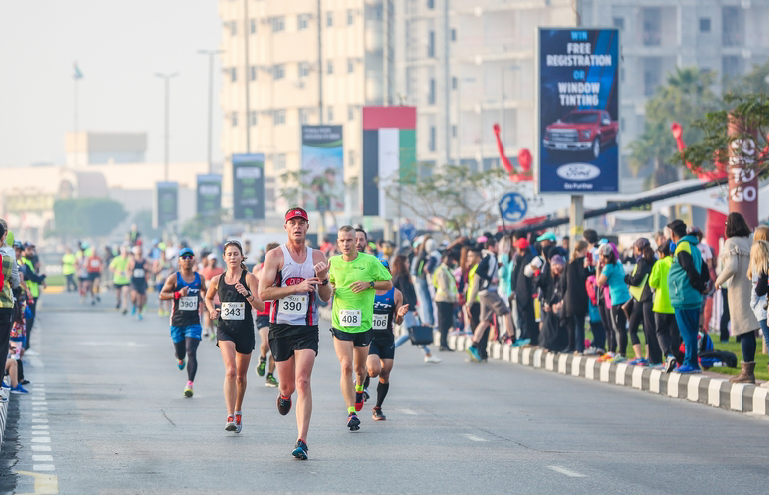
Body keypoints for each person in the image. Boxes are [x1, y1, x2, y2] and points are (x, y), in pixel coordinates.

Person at [258, 207, 332, 460]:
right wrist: (295, 288)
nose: (297, 227)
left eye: (302, 222)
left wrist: (323, 280)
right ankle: (283, 394)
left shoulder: (318, 256)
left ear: (307, 227)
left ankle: (302, 440)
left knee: (303, 381)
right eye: (293, 223)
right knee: (289, 385)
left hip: (307, 327)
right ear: (286, 227)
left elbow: (325, 297)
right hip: (280, 327)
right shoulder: (275, 256)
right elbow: (263, 293)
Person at [328, 225, 392, 431]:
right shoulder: (333, 263)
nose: (345, 244)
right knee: (346, 366)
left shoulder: (370, 262)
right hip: (340, 323)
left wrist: (369, 284)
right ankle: (351, 413)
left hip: (363, 324)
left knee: (359, 369)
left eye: (349, 240)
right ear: (337, 243)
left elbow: (388, 284)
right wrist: (329, 289)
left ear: (357, 241)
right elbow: (326, 286)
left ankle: (358, 388)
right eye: (342, 241)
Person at [205, 240, 264, 433]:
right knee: (230, 371)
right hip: (225, 329)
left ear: (241, 257)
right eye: (229, 254)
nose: (232, 257)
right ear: (224, 257)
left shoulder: (250, 278)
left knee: (241, 376)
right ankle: (230, 415)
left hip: (245, 330)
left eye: (235, 254)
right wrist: (211, 310)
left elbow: (261, 306)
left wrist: (247, 294)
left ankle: (238, 410)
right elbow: (207, 297)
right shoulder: (217, 280)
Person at [715, 213, 760, 383]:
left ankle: (747, 372)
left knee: (744, 329)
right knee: (750, 329)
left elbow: (732, 266)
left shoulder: (731, 242)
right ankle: (749, 370)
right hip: (752, 286)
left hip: (739, 290)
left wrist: (718, 281)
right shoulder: (750, 240)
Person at [159, 247, 208, 397]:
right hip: (177, 322)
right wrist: (178, 294)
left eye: (190, 256)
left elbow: (205, 291)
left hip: (194, 322)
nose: (187, 259)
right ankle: (180, 358)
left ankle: (189, 384)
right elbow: (162, 295)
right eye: (184, 257)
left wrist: (206, 301)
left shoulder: (200, 278)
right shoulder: (174, 278)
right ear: (179, 261)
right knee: (181, 353)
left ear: (194, 260)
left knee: (191, 351)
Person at [365, 259, 410, 421]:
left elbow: (398, 322)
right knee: (374, 370)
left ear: (389, 273)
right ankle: (363, 377)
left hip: (387, 338)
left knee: (385, 373)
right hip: (370, 338)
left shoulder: (396, 293)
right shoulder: (367, 291)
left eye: (384, 271)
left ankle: (377, 408)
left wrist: (400, 315)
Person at [667, 219, 709, 374]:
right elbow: (704, 270)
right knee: (691, 332)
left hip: (683, 296)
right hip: (692, 296)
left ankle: (690, 363)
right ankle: (692, 363)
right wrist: (702, 287)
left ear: (672, 234)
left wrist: (699, 287)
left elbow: (690, 270)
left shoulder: (682, 247)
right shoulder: (694, 247)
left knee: (687, 333)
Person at [466, 238, 515, 363]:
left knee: (486, 321)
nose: (499, 247)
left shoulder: (491, 259)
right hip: (489, 292)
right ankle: (513, 338)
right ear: (492, 246)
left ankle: (474, 346)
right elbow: (479, 273)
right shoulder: (489, 257)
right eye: (497, 245)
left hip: (483, 294)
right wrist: (491, 279)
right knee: (507, 312)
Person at [391, 255, 441, 362]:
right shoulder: (402, 276)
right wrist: (413, 308)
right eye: (407, 262)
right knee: (411, 333)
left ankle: (428, 354)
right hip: (406, 308)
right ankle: (390, 349)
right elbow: (406, 294)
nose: (408, 264)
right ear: (402, 264)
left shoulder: (396, 276)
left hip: (402, 307)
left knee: (416, 332)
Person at [625, 238, 661, 367]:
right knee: (648, 329)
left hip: (643, 298)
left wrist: (627, 278)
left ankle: (651, 359)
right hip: (649, 298)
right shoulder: (654, 260)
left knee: (642, 328)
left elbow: (636, 280)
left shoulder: (642, 262)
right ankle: (647, 357)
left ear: (638, 249)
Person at [649, 241, 683, 373]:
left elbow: (652, 282)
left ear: (662, 253)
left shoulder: (659, 263)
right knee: (675, 333)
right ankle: (675, 357)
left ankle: (668, 355)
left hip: (661, 304)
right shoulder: (677, 263)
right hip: (675, 304)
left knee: (661, 332)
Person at [596, 242, 631, 363]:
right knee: (622, 328)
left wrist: (597, 267)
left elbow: (599, 283)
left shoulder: (608, 267)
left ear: (602, 256)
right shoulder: (618, 264)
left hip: (617, 299)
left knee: (618, 328)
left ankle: (621, 353)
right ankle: (622, 352)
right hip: (625, 297)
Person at [252, 242, 279, 388]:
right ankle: (262, 358)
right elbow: (258, 280)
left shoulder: (282, 268)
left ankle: (270, 375)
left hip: (278, 312)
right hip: (263, 311)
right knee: (267, 343)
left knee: (275, 347)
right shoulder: (259, 269)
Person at [0, 222, 21, 377]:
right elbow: (16, 282)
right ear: (3, 236)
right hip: (4, 306)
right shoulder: (7, 258)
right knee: (2, 348)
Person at [749, 226, 769, 387]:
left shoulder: (761, 260)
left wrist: (753, 303)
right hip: (763, 306)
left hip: (763, 307)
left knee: (768, 340)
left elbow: (760, 287)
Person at [562, 240, 590, 354]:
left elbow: (563, 282)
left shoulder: (569, 263)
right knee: (579, 323)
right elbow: (587, 277)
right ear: (584, 250)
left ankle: (572, 345)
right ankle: (579, 348)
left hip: (569, 297)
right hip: (581, 297)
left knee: (571, 323)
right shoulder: (584, 263)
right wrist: (587, 267)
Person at [512, 238, 537, 347]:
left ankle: (529, 338)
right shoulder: (519, 259)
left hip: (527, 293)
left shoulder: (530, 259)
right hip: (520, 292)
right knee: (521, 316)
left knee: (528, 317)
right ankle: (523, 336)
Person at [20, 243, 45, 350]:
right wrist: (42, 277)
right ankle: (24, 346)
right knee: (27, 323)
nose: (32, 252)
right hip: (27, 296)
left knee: (29, 323)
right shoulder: (24, 263)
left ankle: (25, 346)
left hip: (32, 295)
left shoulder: (29, 262)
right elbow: (32, 277)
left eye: (32, 250)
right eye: (29, 249)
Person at [433, 251, 459, 351]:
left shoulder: (449, 270)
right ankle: (443, 344)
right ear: (443, 259)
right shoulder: (442, 271)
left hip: (448, 300)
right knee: (444, 323)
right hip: (443, 299)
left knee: (447, 323)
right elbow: (444, 288)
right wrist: (453, 300)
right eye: (448, 258)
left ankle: (444, 343)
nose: (451, 261)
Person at [410, 238, 434, 327]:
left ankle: (426, 321)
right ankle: (426, 320)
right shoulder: (425, 255)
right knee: (424, 301)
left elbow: (415, 270)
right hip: (421, 279)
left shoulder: (420, 255)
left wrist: (415, 276)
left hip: (419, 279)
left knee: (423, 301)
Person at [200, 253, 224, 340]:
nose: (213, 261)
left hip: (218, 297)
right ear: (208, 261)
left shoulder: (220, 270)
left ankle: (216, 330)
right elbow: (201, 284)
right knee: (209, 312)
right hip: (208, 296)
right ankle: (207, 329)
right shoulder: (203, 270)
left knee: (217, 315)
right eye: (211, 259)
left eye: (214, 259)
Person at [127, 246, 149, 320]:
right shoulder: (132, 260)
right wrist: (129, 274)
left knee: (141, 299)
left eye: (140, 250)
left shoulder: (145, 261)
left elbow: (149, 270)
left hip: (142, 281)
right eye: (137, 250)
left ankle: (140, 313)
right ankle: (133, 305)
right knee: (134, 296)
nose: (139, 252)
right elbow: (127, 269)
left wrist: (147, 271)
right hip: (134, 281)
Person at [109, 246, 131, 314]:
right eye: (124, 253)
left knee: (125, 292)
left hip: (126, 280)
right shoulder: (117, 259)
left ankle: (125, 307)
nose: (125, 254)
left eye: (126, 253)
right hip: (118, 280)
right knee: (118, 294)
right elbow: (110, 267)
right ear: (121, 253)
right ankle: (118, 301)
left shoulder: (129, 259)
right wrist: (117, 272)